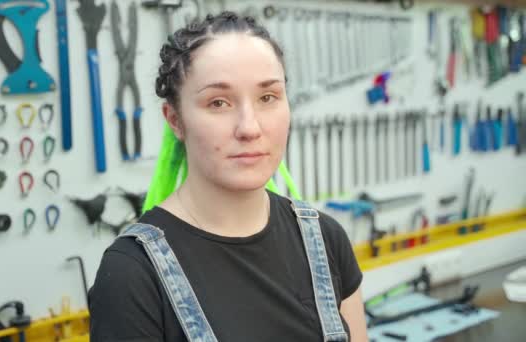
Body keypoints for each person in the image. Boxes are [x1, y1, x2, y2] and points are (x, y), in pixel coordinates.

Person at [89, 11, 367, 342]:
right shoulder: (131, 275)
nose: (250, 127)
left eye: (268, 97)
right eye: (218, 102)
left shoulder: (325, 239)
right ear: (175, 120)